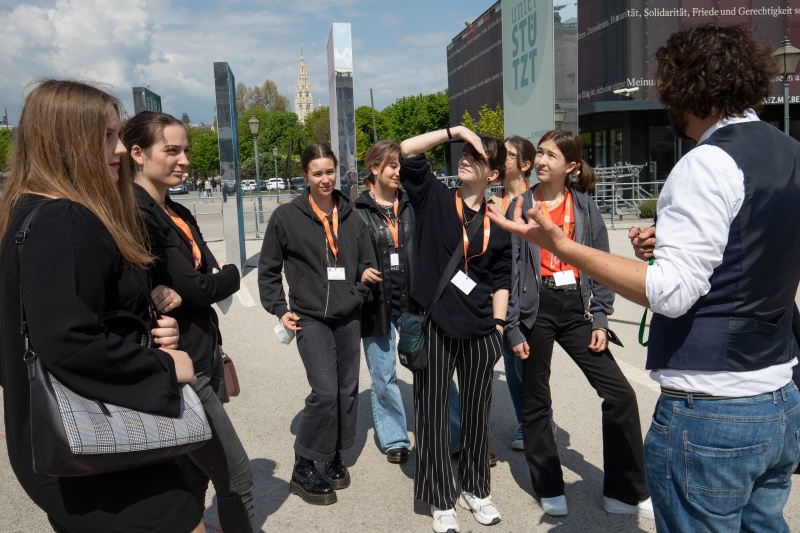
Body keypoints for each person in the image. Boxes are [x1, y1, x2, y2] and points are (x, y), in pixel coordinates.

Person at [488, 24, 800, 532]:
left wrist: (562, 247)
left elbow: (670, 293)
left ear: (690, 87)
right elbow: (760, 251)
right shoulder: (789, 151)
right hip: (778, 398)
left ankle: (622, 489)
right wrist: (673, 246)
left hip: (713, 407)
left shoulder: (706, 164)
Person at [0, 80, 205, 532]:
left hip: (76, 440)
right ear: (69, 140)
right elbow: (70, 341)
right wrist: (165, 366)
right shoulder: (63, 219)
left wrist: (146, 327)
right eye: (108, 135)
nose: (119, 146)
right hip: (96, 442)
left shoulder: (30, 211)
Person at [502, 130, 651, 518]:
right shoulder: (518, 205)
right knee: (537, 401)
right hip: (536, 309)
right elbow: (508, 270)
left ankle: (624, 491)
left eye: (552, 156)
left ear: (570, 166)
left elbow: (600, 264)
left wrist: (600, 317)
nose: (542, 161)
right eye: (541, 153)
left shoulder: (584, 206)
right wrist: (513, 326)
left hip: (578, 309)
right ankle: (549, 485)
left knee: (620, 395)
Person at [122, 111, 256, 532]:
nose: (183, 159)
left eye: (185, 150)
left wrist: (218, 279)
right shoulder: (137, 213)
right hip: (182, 366)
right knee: (237, 475)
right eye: (172, 150)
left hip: (206, 349)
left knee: (194, 474)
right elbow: (197, 285)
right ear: (139, 154)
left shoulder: (175, 208)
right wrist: (222, 279)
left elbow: (207, 278)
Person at [399, 126, 511, 532]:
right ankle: (442, 499)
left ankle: (476, 490)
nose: (466, 158)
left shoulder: (499, 219)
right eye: (464, 152)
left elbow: (501, 276)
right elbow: (406, 148)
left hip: (481, 331)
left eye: (477, 157)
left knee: (478, 416)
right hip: (435, 326)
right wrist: (456, 131)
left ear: (493, 175)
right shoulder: (433, 198)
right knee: (430, 416)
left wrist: (498, 327)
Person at [258, 144, 376, 506]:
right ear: (305, 176)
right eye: (317, 173)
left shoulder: (353, 216)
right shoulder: (286, 217)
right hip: (309, 318)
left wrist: (361, 286)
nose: (325, 179)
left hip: (348, 315)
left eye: (330, 172)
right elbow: (268, 271)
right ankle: (304, 463)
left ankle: (335, 453)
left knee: (346, 389)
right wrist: (279, 309)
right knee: (324, 392)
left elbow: (367, 265)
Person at [353, 141, 414, 464]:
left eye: (400, 165)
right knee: (383, 374)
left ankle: (454, 433)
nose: (398, 172)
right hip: (376, 302)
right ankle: (395, 438)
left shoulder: (412, 203)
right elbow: (345, 252)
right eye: (392, 165)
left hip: (413, 300)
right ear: (375, 169)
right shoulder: (356, 210)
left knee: (432, 369)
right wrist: (360, 269)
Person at [489, 134, 536, 451]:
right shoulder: (492, 203)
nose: (501, 158)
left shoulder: (536, 203)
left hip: (532, 300)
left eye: (507, 155)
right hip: (501, 296)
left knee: (527, 365)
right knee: (510, 364)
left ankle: (535, 423)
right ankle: (525, 422)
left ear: (525, 164)